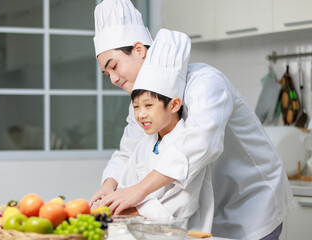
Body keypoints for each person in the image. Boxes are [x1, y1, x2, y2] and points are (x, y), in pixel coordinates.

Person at [89, 0, 295, 239]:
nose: (113, 79)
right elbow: (127, 151)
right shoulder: (143, 104)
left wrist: (137, 191)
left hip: (251, 203)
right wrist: (108, 187)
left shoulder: (205, 82)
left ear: (138, 49)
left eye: (113, 66)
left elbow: (201, 144)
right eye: (107, 74)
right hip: (204, 211)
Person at [102, 29, 214, 231]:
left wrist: (124, 208)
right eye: (136, 107)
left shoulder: (205, 83)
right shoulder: (147, 143)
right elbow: (125, 173)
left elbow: (180, 205)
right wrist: (109, 192)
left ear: (174, 105)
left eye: (148, 106)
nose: (141, 114)